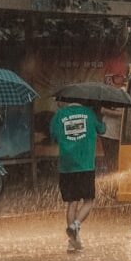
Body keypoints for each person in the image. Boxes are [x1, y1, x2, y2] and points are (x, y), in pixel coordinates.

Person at [51, 100, 107, 252]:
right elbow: (102, 129)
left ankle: (72, 242)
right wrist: (99, 116)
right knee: (88, 200)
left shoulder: (59, 115)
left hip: (66, 166)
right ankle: (75, 225)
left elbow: (54, 136)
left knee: (72, 202)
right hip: (85, 165)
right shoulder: (90, 114)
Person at [99, 70, 126, 174]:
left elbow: (125, 114)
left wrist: (106, 111)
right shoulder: (108, 92)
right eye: (114, 77)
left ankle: (116, 178)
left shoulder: (124, 92)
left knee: (117, 161)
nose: (115, 79)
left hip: (118, 133)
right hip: (108, 132)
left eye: (119, 76)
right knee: (111, 161)